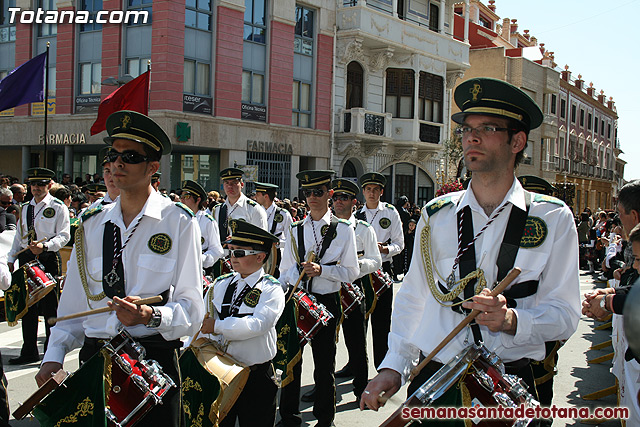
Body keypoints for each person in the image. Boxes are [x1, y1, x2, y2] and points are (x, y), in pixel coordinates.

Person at [361, 78, 581, 422]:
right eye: (467, 129)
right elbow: (414, 298)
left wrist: (512, 321)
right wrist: (394, 365)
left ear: (517, 141)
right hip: (438, 377)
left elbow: (566, 314)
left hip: (506, 382)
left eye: (488, 128)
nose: (471, 137)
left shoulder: (551, 217)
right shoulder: (437, 215)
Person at [35, 110, 205, 426]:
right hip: (96, 362)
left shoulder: (179, 223)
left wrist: (151, 315)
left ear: (153, 168)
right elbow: (72, 307)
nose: (117, 164)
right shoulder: (90, 225)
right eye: (113, 155)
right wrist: (53, 356)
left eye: (130, 156)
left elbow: (193, 310)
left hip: (151, 363)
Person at [278, 170, 359, 427]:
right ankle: (289, 417)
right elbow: (285, 271)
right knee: (292, 362)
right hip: (299, 301)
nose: (312, 197)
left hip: (328, 300)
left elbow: (352, 272)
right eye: (307, 192)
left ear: (329, 194)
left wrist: (323, 270)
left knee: (324, 365)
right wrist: (298, 273)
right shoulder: (294, 229)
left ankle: (325, 419)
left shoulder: (344, 230)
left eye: (318, 192)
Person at [198, 219, 284, 427]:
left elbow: (257, 325)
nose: (232, 258)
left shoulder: (271, 289)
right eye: (231, 251)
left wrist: (217, 327)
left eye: (239, 253)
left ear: (260, 257)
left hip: (255, 375)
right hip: (221, 371)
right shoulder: (221, 284)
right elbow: (203, 320)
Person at [7, 167, 71, 365]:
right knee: (28, 305)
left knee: (50, 306)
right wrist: (11, 258)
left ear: (49, 185)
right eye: (34, 184)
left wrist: (45, 246)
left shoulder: (58, 206)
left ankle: (52, 352)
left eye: (41, 184)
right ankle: (29, 350)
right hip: (27, 256)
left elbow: (64, 235)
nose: (36, 188)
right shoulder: (25, 207)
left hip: (48, 257)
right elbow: (20, 235)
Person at [329, 178, 381, 404]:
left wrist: (354, 268)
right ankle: (325, 389)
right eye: (335, 198)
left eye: (344, 198)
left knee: (356, 340)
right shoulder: (324, 226)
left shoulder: (363, 229)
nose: (339, 202)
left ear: (354, 202)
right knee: (326, 344)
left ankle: (361, 388)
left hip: (353, 287)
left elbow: (376, 261)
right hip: (329, 287)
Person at [351, 172, 404, 371]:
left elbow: (400, 243)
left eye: (375, 190)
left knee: (381, 322)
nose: (372, 193)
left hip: (383, 270)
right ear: (363, 192)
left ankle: (382, 365)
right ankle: (355, 364)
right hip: (361, 272)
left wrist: (385, 249)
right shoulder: (356, 215)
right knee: (357, 322)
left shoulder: (390, 212)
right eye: (368, 190)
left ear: (381, 192)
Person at [213, 168, 267, 276]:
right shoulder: (218, 210)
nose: (230, 186)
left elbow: (262, 241)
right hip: (222, 263)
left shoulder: (254, 209)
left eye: (234, 183)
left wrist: (237, 240)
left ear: (242, 184)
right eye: (227, 183)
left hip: (245, 262)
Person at [179, 179, 224, 275]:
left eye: (186, 196)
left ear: (198, 199)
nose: (182, 200)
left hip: (199, 270)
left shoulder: (207, 221)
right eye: (181, 196)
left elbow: (217, 250)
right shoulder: (178, 218)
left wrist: (200, 259)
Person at [254, 181, 293, 278]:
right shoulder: (255, 212)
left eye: (257, 194)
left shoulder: (283, 215)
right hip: (258, 255)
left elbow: (292, 240)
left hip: (276, 258)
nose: (255, 197)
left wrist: (278, 243)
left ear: (265, 196)